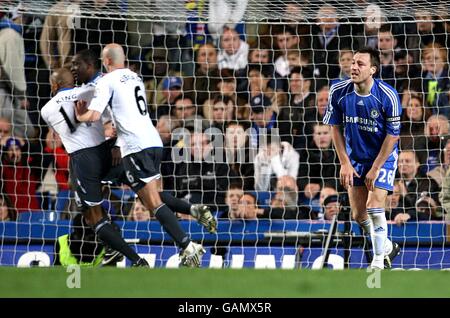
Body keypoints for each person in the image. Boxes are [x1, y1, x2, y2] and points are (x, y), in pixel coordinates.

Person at [75, 43, 215, 267]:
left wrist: (81, 115)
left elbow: (94, 115)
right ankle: (192, 210)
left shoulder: (106, 81)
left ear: (108, 61)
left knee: (152, 202)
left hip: (135, 146)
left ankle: (188, 246)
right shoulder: (135, 77)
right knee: (147, 195)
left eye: (103, 59)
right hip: (153, 142)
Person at [41, 67, 147, 267]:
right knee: (141, 188)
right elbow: (113, 108)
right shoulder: (91, 90)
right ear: (73, 80)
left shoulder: (46, 109)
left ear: (54, 85)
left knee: (91, 213)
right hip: (106, 152)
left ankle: (122, 251)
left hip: (81, 160)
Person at [323, 47, 401, 269]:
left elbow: (393, 136)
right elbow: (335, 128)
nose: (354, 67)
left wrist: (376, 168)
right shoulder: (338, 91)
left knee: (375, 206)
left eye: (360, 64)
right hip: (355, 158)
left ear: (373, 70)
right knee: (359, 215)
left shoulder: (388, 96)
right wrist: (345, 162)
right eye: (353, 62)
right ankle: (386, 246)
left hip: (382, 157)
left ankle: (378, 261)